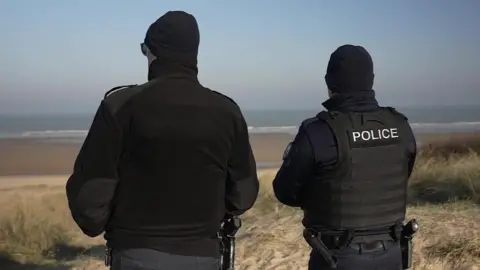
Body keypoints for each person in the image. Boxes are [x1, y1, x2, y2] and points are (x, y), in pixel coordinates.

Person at [66, 10, 259, 270]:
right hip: (203, 255)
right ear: (193, 55)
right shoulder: (227, 111)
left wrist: (100, 224)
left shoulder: (120, 106)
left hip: (135, 253)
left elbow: (91, 191)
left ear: (152, 52)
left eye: (144, 49)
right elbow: (243, 194)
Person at [272, 44, 417, 270]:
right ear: (371, 81)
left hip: (337, 256)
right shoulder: (400, 126)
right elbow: (401, 176)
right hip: (391, 254)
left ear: (330, 83)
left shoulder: (318, 131)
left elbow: (285, 192)